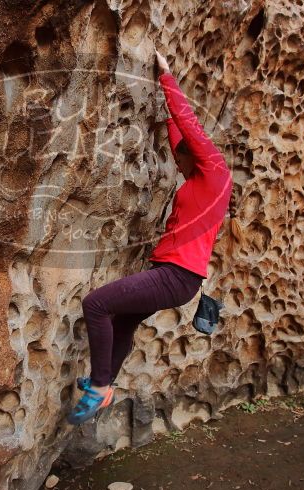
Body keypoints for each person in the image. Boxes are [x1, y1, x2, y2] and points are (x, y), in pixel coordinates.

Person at [66, 50, 235, 425]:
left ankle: (99, 386)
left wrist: (166, 77)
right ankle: (106, 382)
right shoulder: (200, 180)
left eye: (182, 159)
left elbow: (190, 127)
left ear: (196, 156)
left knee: (96, 304)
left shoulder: (215, 171)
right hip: (174, 275)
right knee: (123, 321)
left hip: (177, 276)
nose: (179, 165)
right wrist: (167, 115)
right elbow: (180, 139)